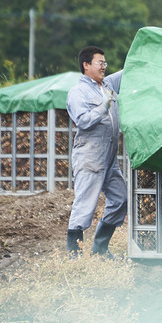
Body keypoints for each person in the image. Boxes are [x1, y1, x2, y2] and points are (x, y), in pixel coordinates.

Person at [66, 46, 126, 258]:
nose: (104, 66)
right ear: (86, 65)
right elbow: (82, 121)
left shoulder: (107, 84)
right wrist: (103, 106)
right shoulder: (78, 92)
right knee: (84, 206)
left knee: (120, 200)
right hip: (90, 156)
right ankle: (75, 257)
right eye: (100, 63)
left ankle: (100, 249)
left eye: (105, 63)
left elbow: (129, 71)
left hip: (110, 157)